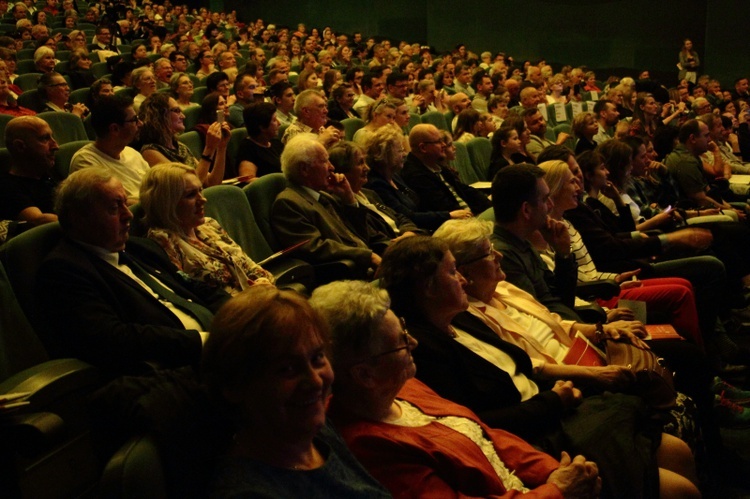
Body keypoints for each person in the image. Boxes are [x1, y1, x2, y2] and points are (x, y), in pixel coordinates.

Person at [377, 235, 700, 498]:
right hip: (536, 432)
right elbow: (476, 423)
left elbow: (528, 361)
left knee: (678, 452)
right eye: (452, 272)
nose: (461, 278)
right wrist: (553, 400)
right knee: (680, 490)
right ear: (428, 289)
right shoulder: (423, 350)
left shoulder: (461, 320)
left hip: (558, 409)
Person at [315, 280, 603, 499]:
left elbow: (487, 435)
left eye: (404, 328)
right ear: (364, 374)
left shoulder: (405, 386)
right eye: (401, 343)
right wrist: (556, 491)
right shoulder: (370, 446)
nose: (413, 342)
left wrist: (552, 471)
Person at [202, 286, 391, 499]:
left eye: (317, 358)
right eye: (287, 369)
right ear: (234, 386)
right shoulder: (249, 492)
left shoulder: (315, 432)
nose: (315, 380)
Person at [35, 168, 229, 374]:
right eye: (114, 208)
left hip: (216, 345)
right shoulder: (63, 271)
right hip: (169, 370)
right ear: (79, 218)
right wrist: (203, 341)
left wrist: (237, 315)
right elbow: (112, 337)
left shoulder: (142, 248)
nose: (128, 215)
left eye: (125, 204)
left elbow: (197, 287)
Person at [140, 163, 273, 296]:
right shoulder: (163, 240)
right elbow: (189, 297)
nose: (203, 199)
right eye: (191, 195)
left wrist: (264, 282)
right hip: (231, 310)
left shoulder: (209, 225)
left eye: (200, 190)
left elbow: (249, 266)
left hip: (258, 297)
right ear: (167, 203)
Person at [271, 133, 382, 275]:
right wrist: (367, 256)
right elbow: (315, 247)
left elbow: (359, 235)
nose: (332, 167)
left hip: (367, 263)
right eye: (325, 161)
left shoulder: (325, 195)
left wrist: (349, 199)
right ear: (304, 169)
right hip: (345, 274)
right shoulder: (288, 203)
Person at [328, 140, 420, 242]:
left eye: (365, 162)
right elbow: (370, 238)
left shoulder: (369, 193)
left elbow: (400, 217)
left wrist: (409, 232)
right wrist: (401, 242)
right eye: (360, 163)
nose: (367, 168)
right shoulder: (342, 203)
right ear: (343, 171)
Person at [70, 95, 150, 204]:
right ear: (115, 129)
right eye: (134, 120)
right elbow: (113, 204)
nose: (140, 124)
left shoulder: (132, 153)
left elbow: (154, 186)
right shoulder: (85, 161)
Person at [139, 92, 228, 187]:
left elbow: (213, 183)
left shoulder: (180, 147)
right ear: (159, 115)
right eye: (176, 111)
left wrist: (221, 147)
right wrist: (209, 148)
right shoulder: (150, 152)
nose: (183, 116)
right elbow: (191, 186)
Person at [402, 123, 491, 216]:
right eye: (438, 141)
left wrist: (490, 205)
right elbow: (445, 207)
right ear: (423, 148)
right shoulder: (415, 175)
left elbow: (463, 189)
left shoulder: (435, 165)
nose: (443, 145)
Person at [0, 115, 58, 225]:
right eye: (45, 138)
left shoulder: (46, 175)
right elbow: (40, 222)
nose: (56, 146)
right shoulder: (6, 187)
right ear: (20, 146)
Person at [237, 102, 283, 179]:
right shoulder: (248, 149)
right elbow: (248, 180)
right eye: (274, 120)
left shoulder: (276, 143)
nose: (279, 123)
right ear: (262, 127)